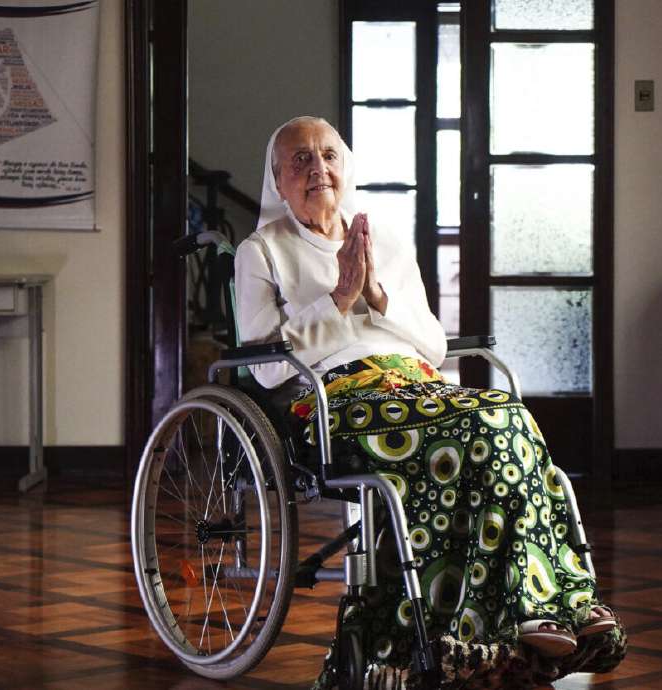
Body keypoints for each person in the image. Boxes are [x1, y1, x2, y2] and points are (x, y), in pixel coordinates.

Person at [235, 116, 625, 688]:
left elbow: (434, 343)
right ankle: (529, 606)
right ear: (277, 180)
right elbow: (265, 366)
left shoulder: (384, 240)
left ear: (346, 167)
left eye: (328, 155)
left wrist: (376, 295)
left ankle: (542, 606)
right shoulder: (261, 252)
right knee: (481, 424)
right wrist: (339, 300)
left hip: (415, 385)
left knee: (503, 415)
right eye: (300, 160)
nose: (318, 168)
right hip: (336, 398)